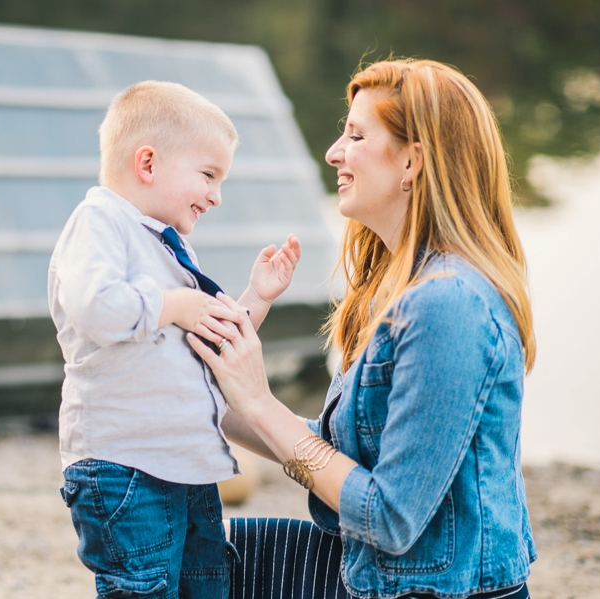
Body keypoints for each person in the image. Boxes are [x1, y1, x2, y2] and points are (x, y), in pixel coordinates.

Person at [188, 59, 538, 599]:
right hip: (381, 576)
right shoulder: (402, 287)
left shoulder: (448, 305)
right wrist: (212, 399)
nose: (333, 152)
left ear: (412, 162)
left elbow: (390, 519)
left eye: (355, 135)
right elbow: (337, 450)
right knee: (183, 550)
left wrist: (260, 403)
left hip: (433, 590)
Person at [47, 80, 301, 599]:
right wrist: (178, 304)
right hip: (124, 467)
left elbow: (212, 339)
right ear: (147, 164)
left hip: (186, 466)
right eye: (208, 175)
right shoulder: (100, 223)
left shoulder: (167, 242)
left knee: (208, 584)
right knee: (144, 588)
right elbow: (95, 306)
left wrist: (257, 296)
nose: (216, 195)